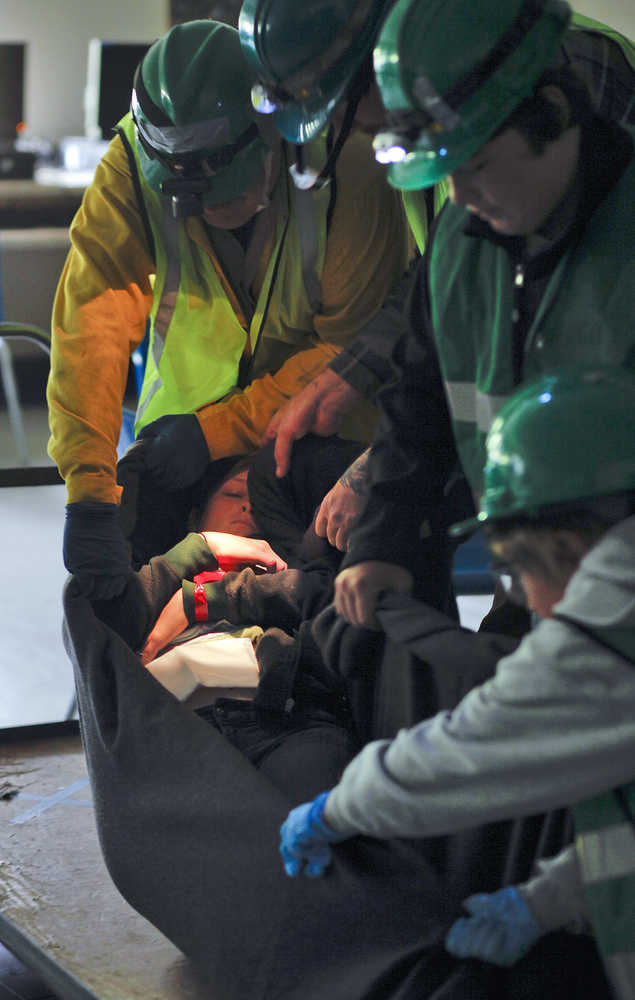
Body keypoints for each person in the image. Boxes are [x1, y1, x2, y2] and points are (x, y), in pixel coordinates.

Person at [280, 366, 635, 999]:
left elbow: (466, 751)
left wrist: (335, 809)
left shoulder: (614, 621)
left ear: (566, 542)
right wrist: (549, 901)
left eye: (517, 569)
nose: (523, 596)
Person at [240, 0, 635, 551]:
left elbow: (555, 304)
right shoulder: (470, 181)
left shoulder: (562, 71)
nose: (348, 129)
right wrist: (353, 372)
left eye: (343, 106)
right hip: (534, 507)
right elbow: (450, 281)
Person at [47, 19, 411, 599]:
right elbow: (92, 325)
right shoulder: (128, 168)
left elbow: (353, 346)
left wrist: (216, 432)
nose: (208, 212)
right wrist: (90, 490)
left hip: (328, 441)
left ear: (270, 129)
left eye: (227, 193)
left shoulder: (351, 163)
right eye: (189, 200)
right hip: (177, 454)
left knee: (340, 616)